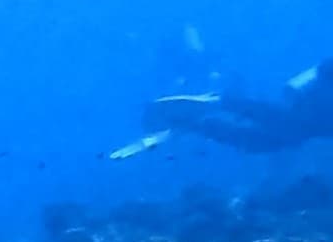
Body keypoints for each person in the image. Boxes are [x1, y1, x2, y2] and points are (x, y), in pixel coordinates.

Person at [110, 58, 333, 159]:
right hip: (321, 104)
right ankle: (217, 105)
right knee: (281, 125)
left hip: (319, 107)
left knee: (268, 139)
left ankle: (200, 121)